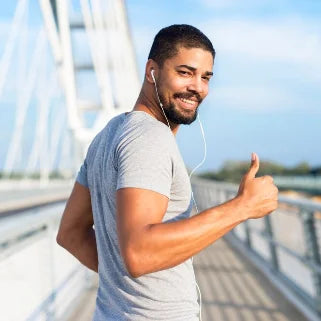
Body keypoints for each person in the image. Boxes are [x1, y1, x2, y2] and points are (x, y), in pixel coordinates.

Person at [56, 24, 278, 320]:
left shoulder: (108, 135)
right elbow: (139, 252)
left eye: (205, 77)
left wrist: (126, 282)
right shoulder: (150, 138)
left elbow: (69, 233)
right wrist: (242, 207)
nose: (198, 87)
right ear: (152, 71)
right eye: (185, 72)